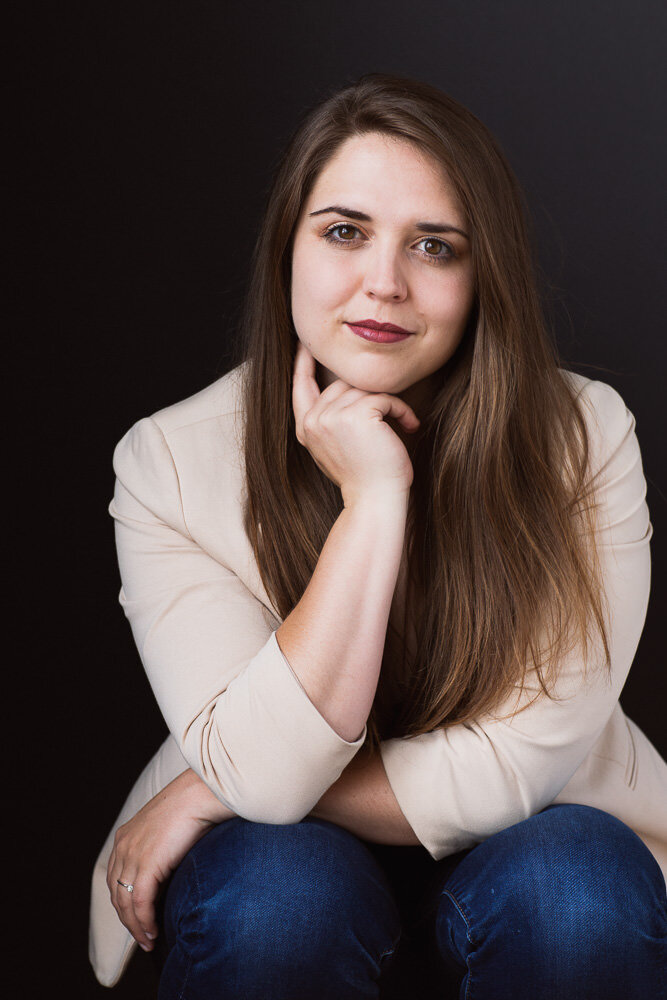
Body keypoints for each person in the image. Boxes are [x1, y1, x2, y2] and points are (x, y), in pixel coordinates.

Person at [89, 72, 667, 998]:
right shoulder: (167, 461)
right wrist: (374, 501)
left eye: (434, 246)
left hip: (541, 827)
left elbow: (518, 766)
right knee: (278, 898)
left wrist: (208, 787)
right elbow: (269, 796)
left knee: (575, 890)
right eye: (344, 231)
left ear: (485, 278)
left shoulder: (583, 435)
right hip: (275, 858)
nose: (384, 283)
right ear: (288, 245)